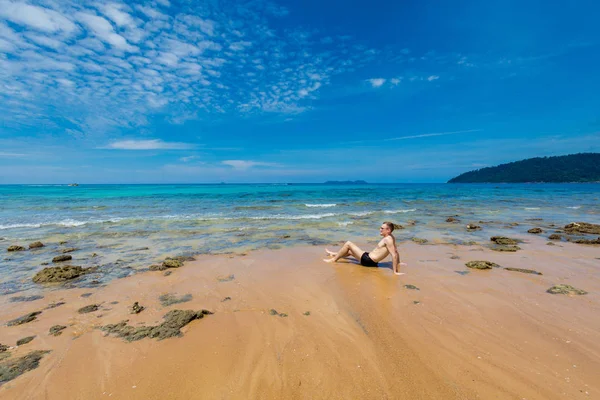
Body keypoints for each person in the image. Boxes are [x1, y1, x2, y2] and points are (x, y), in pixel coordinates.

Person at [323, 221, 405, 275]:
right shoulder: (391, 237)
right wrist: (399, 262)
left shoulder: (388, 240)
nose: (380, 229)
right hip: (371, 260)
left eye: (382, 228)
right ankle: (333, 254)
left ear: (388, 230)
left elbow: (394, 254)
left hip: (368, 260)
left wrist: (395, 272)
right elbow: (396, 251)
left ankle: (333, 260)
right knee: (350, 251)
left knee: (348, 244)